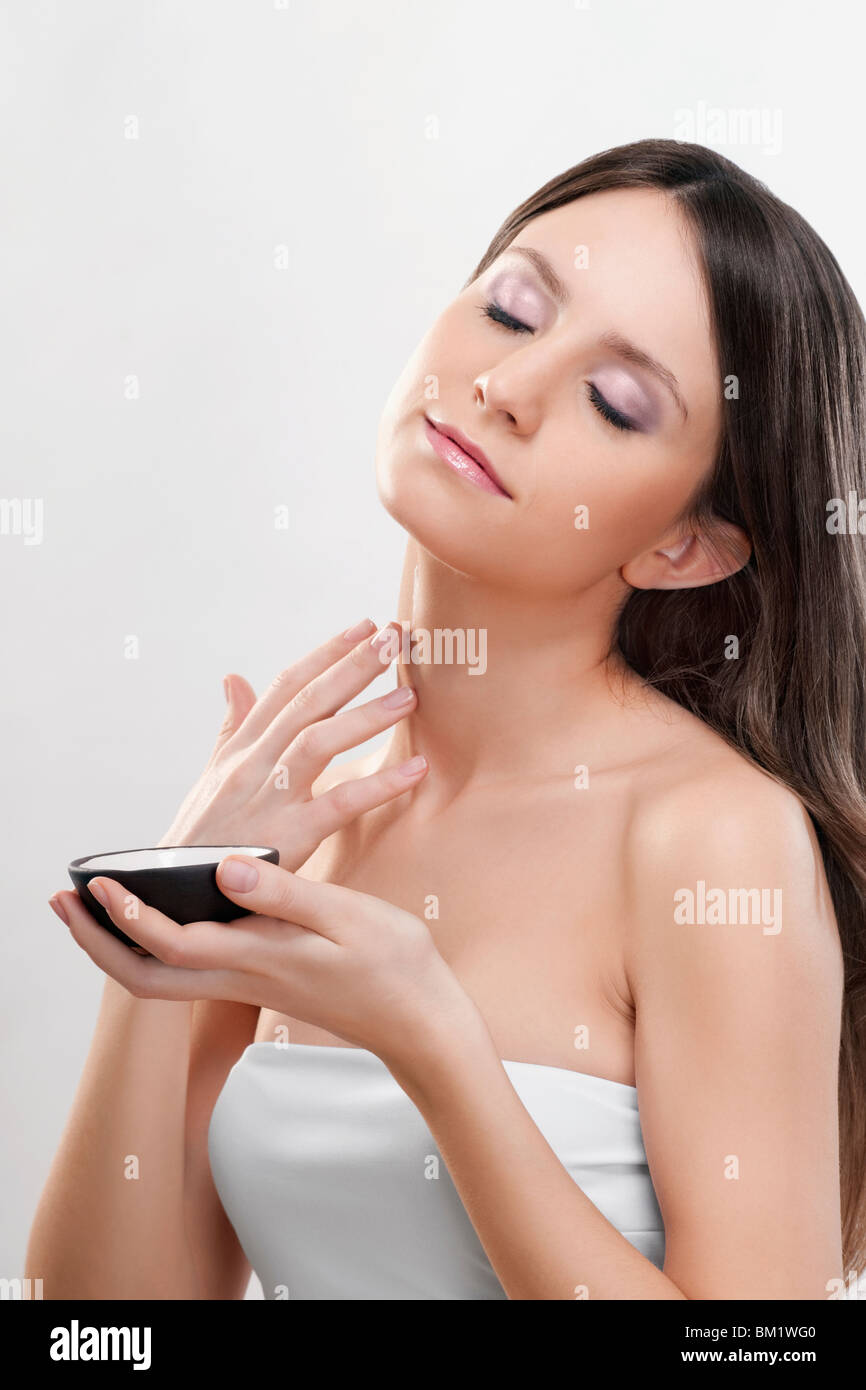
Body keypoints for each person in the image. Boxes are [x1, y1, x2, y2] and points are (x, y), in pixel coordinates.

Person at [28, 138, 865, 1300]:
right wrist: (166, 910)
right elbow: (102, 1334)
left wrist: (437, 1048)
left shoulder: (709, 840)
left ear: (681, 546)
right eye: (514, 309)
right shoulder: (304, 817)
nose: (506, 389)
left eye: (613, 402)